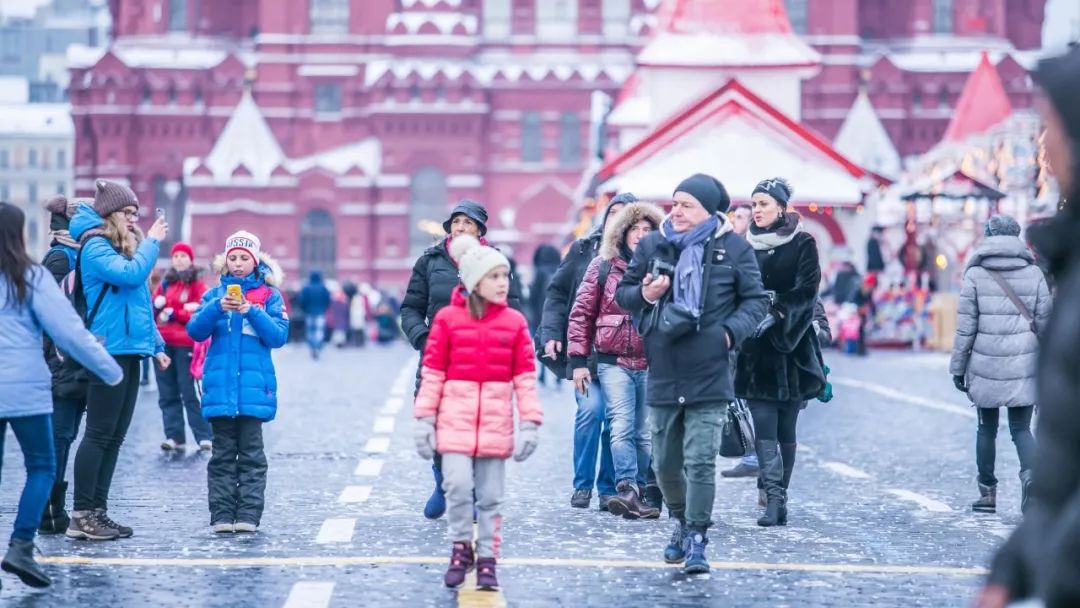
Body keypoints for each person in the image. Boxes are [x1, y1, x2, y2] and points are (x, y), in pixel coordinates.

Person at [616, 174, 767, 574]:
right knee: (665, 462)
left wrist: (728, 334)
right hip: (663, 366)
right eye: (675, 203)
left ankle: (698, 535)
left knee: (699, 459)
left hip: (711, 369)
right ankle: (681, 520)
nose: (676, 211)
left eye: (687, 205)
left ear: (708, 212)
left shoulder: (733, 248)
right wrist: (646, 295)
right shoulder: (652, 246)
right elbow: (624, 293)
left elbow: (755, 301)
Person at [977, 45, 1080, 608]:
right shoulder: (1064, 257)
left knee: (998, 432)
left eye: (1051, 128)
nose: (1042, 147)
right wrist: (1012, 568)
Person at [0, 201, 122, 588]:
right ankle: (20, 545)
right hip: (25, 390)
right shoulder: (30, 276)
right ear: (18, 235)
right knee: (41, 467)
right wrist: (110, 371)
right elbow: (69, 331)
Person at [412, 234, 542, 591]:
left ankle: (487, 559)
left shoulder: (515, 323)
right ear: (473, 281)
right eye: (495, 277)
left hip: (495, 423)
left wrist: (529, 423)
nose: (504, 283)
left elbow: (525, 378)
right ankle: (460, 547)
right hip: (454, 418)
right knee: (456, 486)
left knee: (489, 497)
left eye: (506, 276)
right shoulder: (447, 321)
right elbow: (433, 373)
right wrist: (424, 420)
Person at [400, 199, 524, 520]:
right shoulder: (429, 261)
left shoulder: (496, 261)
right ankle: (442, 482)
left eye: (467, 223)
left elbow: (512, 304)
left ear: (480, 230)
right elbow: (411, 308)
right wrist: (424, 339)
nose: (460, 228)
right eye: (456, 222)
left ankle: (468, 491)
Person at [66, 180, 171, 541]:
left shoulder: (125, 247)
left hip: (129, 350)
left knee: (114, 436)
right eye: (128, 213)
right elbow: (132, 276)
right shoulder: (95, 247)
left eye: (135, 214)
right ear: (110, 213)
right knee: (98, 433)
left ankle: (99, 511)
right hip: (106, 351)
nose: (133, 219)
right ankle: (81, 513)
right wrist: (153, 241)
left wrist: (156, 345)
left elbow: (139, 303)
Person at [735, 177, 825, 528]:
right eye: (754, 204)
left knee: (787, 430)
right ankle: (773, 499)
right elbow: (736, 289)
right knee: (764, 428)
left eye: (763, 204)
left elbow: (808, 291)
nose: (756, 210)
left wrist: (777, 313)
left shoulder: (803, 242)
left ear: (781, 207)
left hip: (793, 347)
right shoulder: (744, 245)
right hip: (755, 351)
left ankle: (780, 496)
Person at [567, 201, 664, 519]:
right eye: (635, 228)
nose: (640, 234)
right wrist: (579, 359)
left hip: (651, 361)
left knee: (644, 432)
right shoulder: (603, 265)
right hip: (613, 360)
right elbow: (581, 314)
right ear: (622, 232)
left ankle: (639, 489)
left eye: (647, 229)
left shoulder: (665, 266)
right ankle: (627, 489)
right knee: (620, 425)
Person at [187, 231, 289, 534]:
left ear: (255, 261)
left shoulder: (270, 296)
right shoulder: (213, 295)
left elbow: (278, 336)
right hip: (220, 390)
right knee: (221, 457)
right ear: (225, 261)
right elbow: (195, 331)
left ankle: (247, 515)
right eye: (233, 257)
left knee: (252, 457)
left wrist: (251, 311)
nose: (238, 263)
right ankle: (221, 515)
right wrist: (217, 307)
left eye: (244, 258)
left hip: (253, 392)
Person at [539, 194, 636, 511]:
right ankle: (582, 486)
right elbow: (556, 294)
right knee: (590, 412)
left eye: (626, 215)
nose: (618, 220)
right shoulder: (583, 249)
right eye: (614, 213)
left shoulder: (642, 255)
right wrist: (552, 333)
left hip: (622, 356)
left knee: (616, 421)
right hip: (586, 354)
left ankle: (608, 488)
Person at [950, 215, 1049, 515]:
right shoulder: (1034, 274)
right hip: (1024, 362)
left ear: (989, 234)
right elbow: (1046, 324)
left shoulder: (976, 275)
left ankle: (987, 493)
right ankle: (1031, 478)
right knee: (1021, 428)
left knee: (986, 429)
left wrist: (958, 367)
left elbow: (965, 328)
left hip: (985, 362)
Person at [37, 195, 89, 535]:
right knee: (60, 432)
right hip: (59, 359)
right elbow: (51, 314)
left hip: (66, 357)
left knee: (65, 433)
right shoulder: (61, 257)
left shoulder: (72, 254)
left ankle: (52, 506)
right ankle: (47, 508)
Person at [152, 241, 213, 452]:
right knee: (167, 392)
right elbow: (153, 310)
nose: (179, 259)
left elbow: (202, 314)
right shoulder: (165, 283)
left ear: (191, 260)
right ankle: (174, 436)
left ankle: (204, 436)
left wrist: (176, 313)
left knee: (189, 393)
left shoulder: (197, 284)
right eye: (176, 256)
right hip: (163, 343)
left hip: (186, 343)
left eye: (183, 256)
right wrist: (159, 306)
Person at [721, 203, 760, 479]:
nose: (738, 220)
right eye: (735, 216)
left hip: (753, 338)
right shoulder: (728, 250)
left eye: (743, 216)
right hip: (734, 337)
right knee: (736, 399)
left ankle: (758, 459)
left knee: (750, 401)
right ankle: (749, 453)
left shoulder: (751, 252)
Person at [528, 244, 562, 387]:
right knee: (558, 341)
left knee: (541, 343)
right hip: (558, 314)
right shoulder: (560, 271)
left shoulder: (539, 272)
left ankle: (542, 372)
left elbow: (533, 296)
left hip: (540, 313)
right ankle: (559, 373)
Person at [298, 270, 331, 359]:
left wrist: (304, 309)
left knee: (310, 331)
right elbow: (328, 300)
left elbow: (302, 300)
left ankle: (313, 346)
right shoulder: (323, 287)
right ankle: (317, 345)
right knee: (319, 331)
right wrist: (324, 308)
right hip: (320, 312)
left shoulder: (306, 288)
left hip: (309, 312)